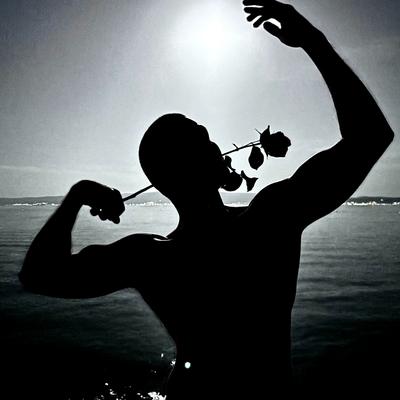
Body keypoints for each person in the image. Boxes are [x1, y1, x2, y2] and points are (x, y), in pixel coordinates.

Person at [19, 1, 394, 398]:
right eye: (203, 139)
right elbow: (371, 137)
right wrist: (313, 41)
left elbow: (39, 274)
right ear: (191, 167)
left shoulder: (149, 257)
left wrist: (77, 197)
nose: (218, 146)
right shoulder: (269, 219)